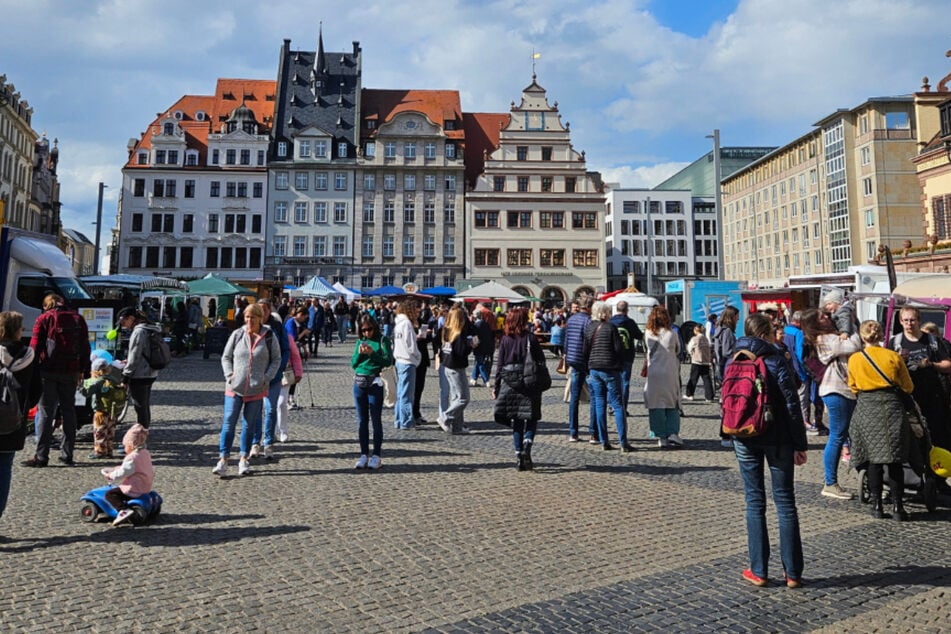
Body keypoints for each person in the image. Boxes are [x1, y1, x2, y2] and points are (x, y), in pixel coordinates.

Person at [730, 313, 808, 588]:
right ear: (764, 333)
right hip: (778, 438)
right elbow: (791, 404)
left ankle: (759, 571)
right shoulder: (775, 359)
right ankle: (793, 574)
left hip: (745, 435)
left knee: (754, 502)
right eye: (774, 330)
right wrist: (800, 443)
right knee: (785, 503)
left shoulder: (734, 357)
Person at [848, 320, 915, 521]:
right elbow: (908, 387)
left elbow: (852, 386)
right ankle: (898, 507)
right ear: (880, 336)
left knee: (872, 459)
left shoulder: (855, 359)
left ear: (862, 336)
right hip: (892, 407)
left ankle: (877, 505)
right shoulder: (893, 356)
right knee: (895, 459)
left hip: (867, 408)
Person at [214, 303, 281, 477]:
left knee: (249, 425)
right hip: (234, 387)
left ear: (260, 318)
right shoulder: (237, 335)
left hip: (256, 388)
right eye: (247, 317)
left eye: (253, 317)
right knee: (228, 422)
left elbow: (276, 359)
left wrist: (266, 378)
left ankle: (243, 459)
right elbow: (226, 357)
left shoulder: (269, 336)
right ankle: (223, 459)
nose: (249, 320)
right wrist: (229, 375)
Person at [801, 307, 861, 500]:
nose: (827, 318)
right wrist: (851, 327)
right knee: (837, 436)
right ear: (814, 324)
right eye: (822, 317)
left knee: (844, 434)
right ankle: (830, 482)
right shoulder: (823, 339)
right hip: (835, 390)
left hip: (845, 390)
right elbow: (854, 345)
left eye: (826, 315)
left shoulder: (832, 335)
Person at [24, 294, 91, 467]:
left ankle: (41, 456)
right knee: (69, 411)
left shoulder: (44, 319)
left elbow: (35, 346)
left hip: (47, 371)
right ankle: (67, 454)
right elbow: (85, 346)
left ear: (47, 305)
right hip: (71, 371)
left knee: (46, 412)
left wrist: (31, 371)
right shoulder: (78, 318)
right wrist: (85, 370)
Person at [890, 306, 951, 454]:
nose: (909, 324)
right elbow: (888, 370)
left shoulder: (933, 341)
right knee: (912, 436)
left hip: (933, 396)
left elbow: (948, 365)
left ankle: (936, 472)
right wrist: (899, 361)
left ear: (919, 320)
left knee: (937, 435)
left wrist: (930, 364)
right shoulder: (895, 343)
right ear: (900, 321)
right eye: (905, 321)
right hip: (908, 397)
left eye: (912, 320)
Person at [493, 307, 546, 470]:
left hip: (510, 383)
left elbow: (500, 365)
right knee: (531, 417)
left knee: (516, 420)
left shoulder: (505, 340)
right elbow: (541, 360)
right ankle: (527, 445)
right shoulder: (530, 338)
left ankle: (518, 456)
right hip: (529, 380)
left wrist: (496, 386)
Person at [0, 311, 35, 527]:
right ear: (16, 330)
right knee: (4, 469)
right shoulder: (28, 355)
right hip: (13, 423)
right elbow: (35, 391)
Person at [585, 301, 633, 452]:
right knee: (618, 404)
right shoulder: (611, 327)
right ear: (606, 313)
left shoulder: (590, 328)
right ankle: (623, 442)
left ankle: (604, 440)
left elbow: (585, 349)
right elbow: (618, 349)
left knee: (599, 403)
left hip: (594, 368)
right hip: (610, 369)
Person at [250, 298, 290, 460]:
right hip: (257, 376)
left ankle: (268, 442)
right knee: (256, 410)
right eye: (258, 310)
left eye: (264, 310)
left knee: (271, 408)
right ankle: (255, 443)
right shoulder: (251, 327)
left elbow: (285, 349)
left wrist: (278, 369)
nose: (261, 313)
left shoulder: (277, 327)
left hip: (273, 376)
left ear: (269, 311)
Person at [352, 316, 393, 469]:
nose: (367, 333)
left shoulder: (383, 340)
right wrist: (361, 353)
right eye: (363, 330)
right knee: (362, 421)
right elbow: (353, 363)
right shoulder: (360, 341)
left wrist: (372, 354)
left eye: (369, 329)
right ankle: (363, 454)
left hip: (375, 382)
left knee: (376, 419)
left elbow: (388, 361)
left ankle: (376, 455)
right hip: (359, 382)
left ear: (375, 327)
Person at [643, 305, 683, 448]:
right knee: (672, 402)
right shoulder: (672, 333)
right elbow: (678, 350)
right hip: (669, 371)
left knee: (655, 403)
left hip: (654, 372)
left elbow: (646, 349)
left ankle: (660, 436)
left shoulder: (648, 333)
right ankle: (673, 432)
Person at [101, 424, 154, 526]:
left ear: (131, 445)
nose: (124, 448)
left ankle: (123, 510)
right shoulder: (144, 453)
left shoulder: (132, 458)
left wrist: (111, 475)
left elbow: (123, 473)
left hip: (133, 487)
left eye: (125, 446)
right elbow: (131, 469)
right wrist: (116, 468)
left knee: (110, 494)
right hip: (145, 484)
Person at [116, 307, 161, 430]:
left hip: (140, 374)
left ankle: (140, 439)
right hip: (150, 372)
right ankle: (143, 433)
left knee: (140, 407)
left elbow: (135, 356)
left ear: (131, 318)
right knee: (144, 405)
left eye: (124, 322)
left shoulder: (139, 332)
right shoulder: (150, 328)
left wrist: (125, 377)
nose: (124, 326)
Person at [564, 295, 596, 443]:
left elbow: (566, 341)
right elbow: (589, 343)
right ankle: (593, 433)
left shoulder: (571, 319)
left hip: (573, 360)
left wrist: (567, 356)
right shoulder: (589, 321)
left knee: (574, 398)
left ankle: (573, 432)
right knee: (594, 396)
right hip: (585, 362)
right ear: (589, 307)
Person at [81, 357, 127, 459]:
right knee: (110, 432)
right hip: (113, 411)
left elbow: (86, 393)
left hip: (101, 412)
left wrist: (81, 386)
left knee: (100, 432)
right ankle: (109, 450)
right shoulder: (113, 379)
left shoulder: (98, 381)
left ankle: (100, 451)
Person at [438, 306, 472, 434]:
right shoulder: (458, 334)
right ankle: (445, 417)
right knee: (463, 398)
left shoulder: (446, 331)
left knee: (455, 397)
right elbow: (461, 352)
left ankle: (457, 427)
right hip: (456, 367)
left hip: (447, 365)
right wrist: (471, 345)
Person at [609, 300, 643, 416]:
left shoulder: (610, 322)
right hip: (627, 356)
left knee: (611, 381)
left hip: (612, 356)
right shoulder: (630, 322)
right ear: (627, 310)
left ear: (616, 309)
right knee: (625, 382)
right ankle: (622, 407)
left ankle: (613, 406)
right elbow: (639, 335)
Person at [392, 299, 421, 430]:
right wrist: (417, 356)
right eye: (416, 308)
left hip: (399, 360)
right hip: (407, 361)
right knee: (407, 394)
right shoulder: (407, 324)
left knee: (400, 393)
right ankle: (407, 421)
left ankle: (398, 419)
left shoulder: (398, 324)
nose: (418, 311)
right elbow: (411, 346)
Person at [276, 336, 303, 443]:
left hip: (285, 374)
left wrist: (298, 372)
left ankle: (283, 431)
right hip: (268, 374)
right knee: (270, 406)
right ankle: (271, 432)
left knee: (281, 403)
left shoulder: (286, 337)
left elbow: (295, 356)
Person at [684, 323, 714, 401]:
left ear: (695, 331)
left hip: (696, 361)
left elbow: (690, 348)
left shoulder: (694, 339)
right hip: (706, 361)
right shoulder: (706, 339)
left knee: (693, 379)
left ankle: (689, 394)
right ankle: (709, 397)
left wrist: (691, 353)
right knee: (707, 380)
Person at [470, 304, 495, 387]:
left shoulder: (476, 325)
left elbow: (474, 337)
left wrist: (473, 345)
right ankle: (473, 379)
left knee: (480, 364)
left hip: (479, 347)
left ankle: (486, 380)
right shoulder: (485, 324)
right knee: (477, 363)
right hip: (486, 347)